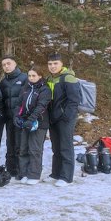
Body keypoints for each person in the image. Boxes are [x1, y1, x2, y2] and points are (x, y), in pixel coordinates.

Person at [46, 54, 81, 187]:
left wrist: (67, 116)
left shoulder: (68, 78)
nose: (52, 66)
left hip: (65, 118)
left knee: (66, 147)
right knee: (56, 147)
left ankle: (66, 177)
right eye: (50, 64)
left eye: (55, 63)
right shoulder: (50, 78)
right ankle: (55, 173)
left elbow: (74, 100)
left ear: (61, 64)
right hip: (53, 117)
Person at [15, 67, 52, 185]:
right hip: (25, 122)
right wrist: (16, 116)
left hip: (38, 123)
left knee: (34, 149)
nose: (31, 78)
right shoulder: (26, 88)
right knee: (23, 148)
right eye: (29, 76)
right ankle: (24, 173)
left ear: (40, 76)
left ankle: (34, 174)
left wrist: (31, 119)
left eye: (33, 76)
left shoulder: (44, 89)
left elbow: (41, 106)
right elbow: (19, 104)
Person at [0, 56, 28, 177]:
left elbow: (27, 98)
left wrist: (22, 114)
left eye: (8, 63)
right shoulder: (4, 81)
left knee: (19, 144)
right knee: (10, 144)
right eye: (4, 64)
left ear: (15, 64)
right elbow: (3, 100)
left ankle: (22, 170)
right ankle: (11, 169)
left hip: (21, 117)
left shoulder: (24, 78)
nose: (6, 66)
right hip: (9, 117)